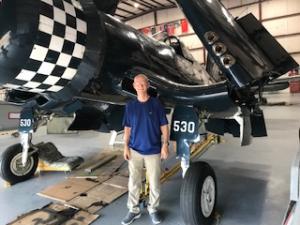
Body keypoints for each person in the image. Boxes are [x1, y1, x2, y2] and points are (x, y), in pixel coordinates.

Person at [121, 74, 169, 225]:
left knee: (154, 182)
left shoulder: (156, 104)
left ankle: (153, 209)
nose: (141, 86)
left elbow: (164, 126)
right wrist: (125, 147)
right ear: (134, 86)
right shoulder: (130, 106)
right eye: (138, 84)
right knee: (133, 182)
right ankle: (133, 210)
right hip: (134, 150)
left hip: (153, 150)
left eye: (143, 83)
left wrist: (165, 144)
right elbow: (127, 128)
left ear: (148, 85)